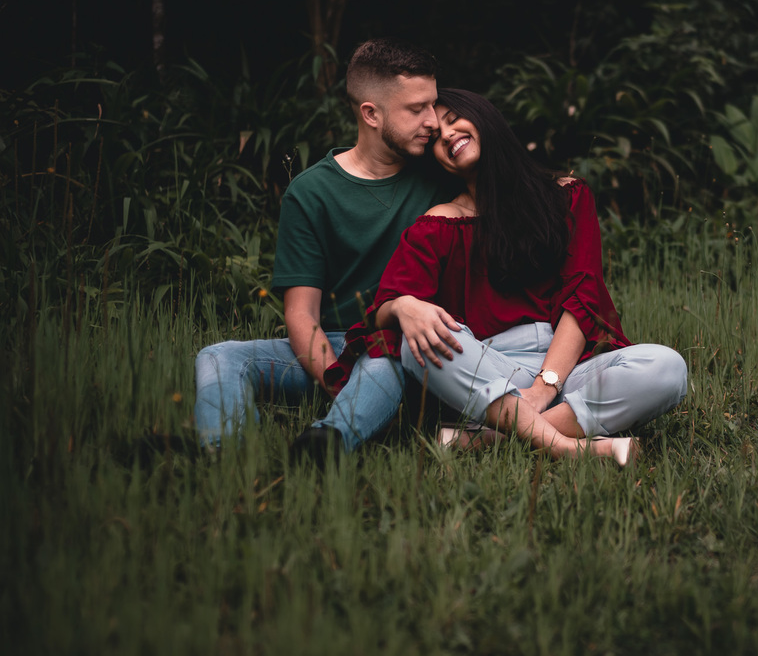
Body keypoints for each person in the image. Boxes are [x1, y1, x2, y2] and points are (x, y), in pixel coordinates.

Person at [323, 89, 687, 464]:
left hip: (567, 366)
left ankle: (488, 438)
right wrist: (403, 306)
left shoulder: (567, 197)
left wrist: (545, 386)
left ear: (484, 118)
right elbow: (383, 309)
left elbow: (583, 296)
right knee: (424, 339)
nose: (446, 135)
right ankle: (565, 448)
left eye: (453, 121)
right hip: (485, 370)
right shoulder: (438, 224)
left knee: (666, 367)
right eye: (436, 138)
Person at [193, 38, 458, 458]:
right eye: (416, 109)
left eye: (433, 104)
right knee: (219, 356)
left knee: (384, 353)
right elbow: (301, 313)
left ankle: (325, 444)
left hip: (403, 344)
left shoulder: (440, 176)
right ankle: (223, 451)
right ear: (371, 113)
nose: (433, 121)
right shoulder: (311, 192)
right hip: (333, 348)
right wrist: (337, 380)